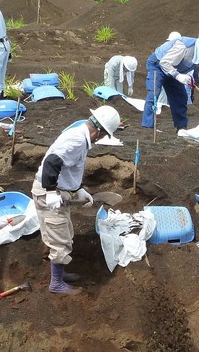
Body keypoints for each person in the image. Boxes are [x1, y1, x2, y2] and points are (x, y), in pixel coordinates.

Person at [31, 106, 120, 295]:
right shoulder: (77, 140)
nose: (102, 139)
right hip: (50, 191)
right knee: (60, 238)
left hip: (55, 189)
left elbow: (66, 166)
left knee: (62, 232)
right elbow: (51, 162)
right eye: (104, 136)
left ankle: (60, 274)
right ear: (100, 132)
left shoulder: (79, 135)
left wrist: (78, 189)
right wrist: (51, 193)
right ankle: (56, 283)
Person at [141, 31, 199, 131]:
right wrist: (178, 76)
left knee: (181, 97)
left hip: (174, 70)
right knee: (154, 93)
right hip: (158, 65)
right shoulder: (184, 47)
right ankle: (148, 127)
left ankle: (181, 127)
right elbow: (164, 63)